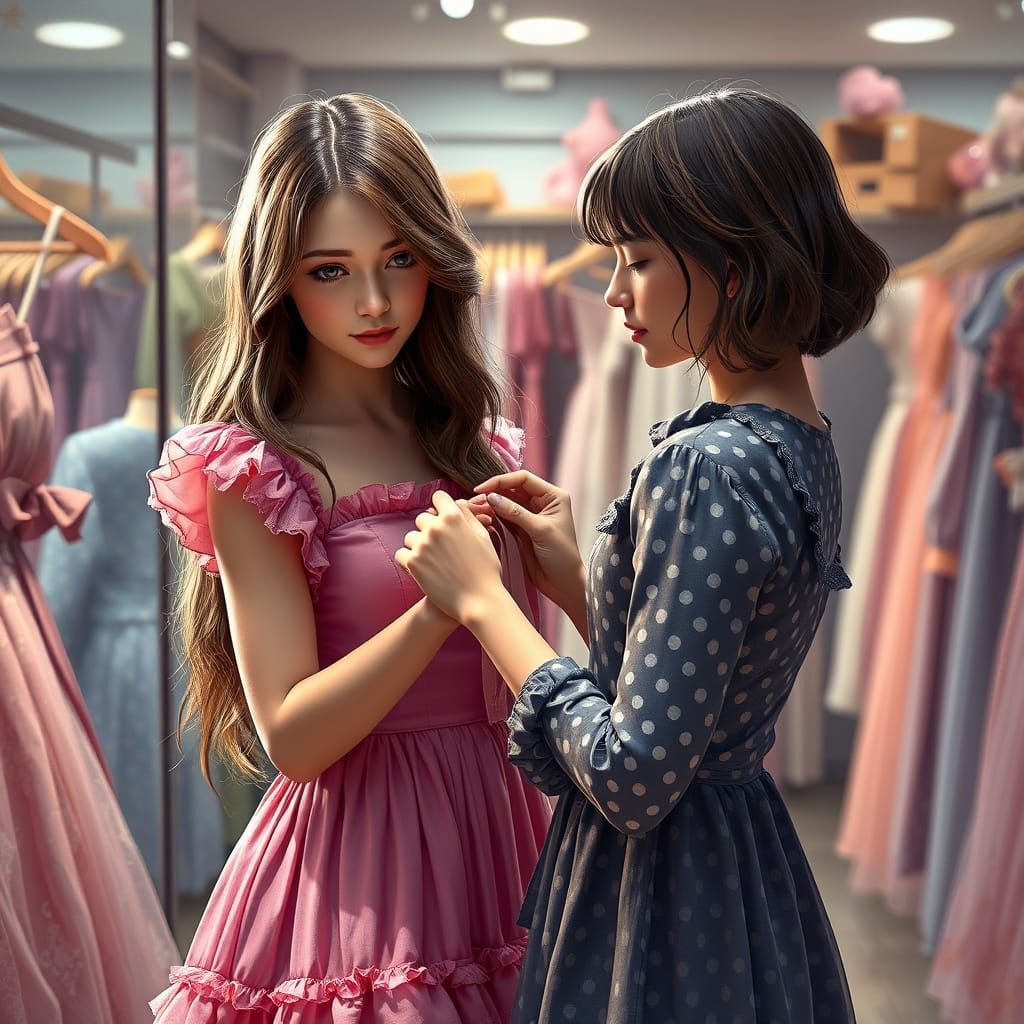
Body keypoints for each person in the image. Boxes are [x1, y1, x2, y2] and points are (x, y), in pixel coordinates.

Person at [398, 88, 890, 1023]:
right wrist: (580, 584)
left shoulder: (705, 465)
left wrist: (485, 605)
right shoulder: (797, 439)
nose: (615, 292)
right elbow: (706, 674)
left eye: (639, 261)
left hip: (662, 890)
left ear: (732, 264)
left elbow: (633, 775)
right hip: (739, 860)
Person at [146, 93, 551, 1023]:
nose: (374, 302)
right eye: (331, 270)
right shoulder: (256, 465)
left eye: (399, 259)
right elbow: (291, 735)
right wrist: (441, 606)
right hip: (359, 871)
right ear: (279, 280)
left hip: (508, 835)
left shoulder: (477, 443)